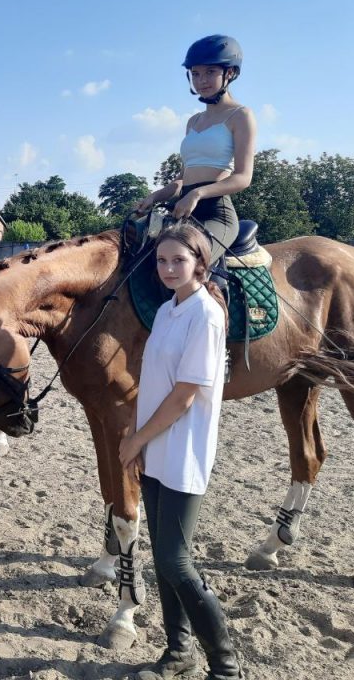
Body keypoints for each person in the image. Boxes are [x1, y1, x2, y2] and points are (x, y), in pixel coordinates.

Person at [119, 224, 243, 680]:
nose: (168, 269)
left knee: (175, 560)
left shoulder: (205, 315)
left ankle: (225, 666)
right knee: (165, 556)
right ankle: (178, 652)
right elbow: (152, 382)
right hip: (155, 445)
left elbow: (185, 394)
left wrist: (137, 438)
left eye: (178, 261)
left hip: (182, 448)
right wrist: (133, 429)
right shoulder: (170, 310)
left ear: (200, 263)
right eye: (161, 261)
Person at [137, 35, 257, 263]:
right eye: (196, 74)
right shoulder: (193, 122)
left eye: (210, 72)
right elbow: (182, 179)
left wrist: (197, 193)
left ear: (229, 73)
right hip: (184, 212)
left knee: (186, 264)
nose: (201, 80)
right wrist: (155, 196)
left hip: (216, 213)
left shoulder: (241, 115)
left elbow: (243, 177)